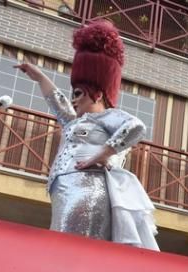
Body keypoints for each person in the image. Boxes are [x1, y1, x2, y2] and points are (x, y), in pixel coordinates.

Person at [15, 20, 158, 250]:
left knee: (73, 248)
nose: (73, 99)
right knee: (60, 245)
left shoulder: (107, 117)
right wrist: (39, 77)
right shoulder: (72, 122)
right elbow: (58, 100)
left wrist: (102, 154)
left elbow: (136, 126)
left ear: (98, 94)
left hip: (87, 191)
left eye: (79, 93)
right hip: (63, 190)